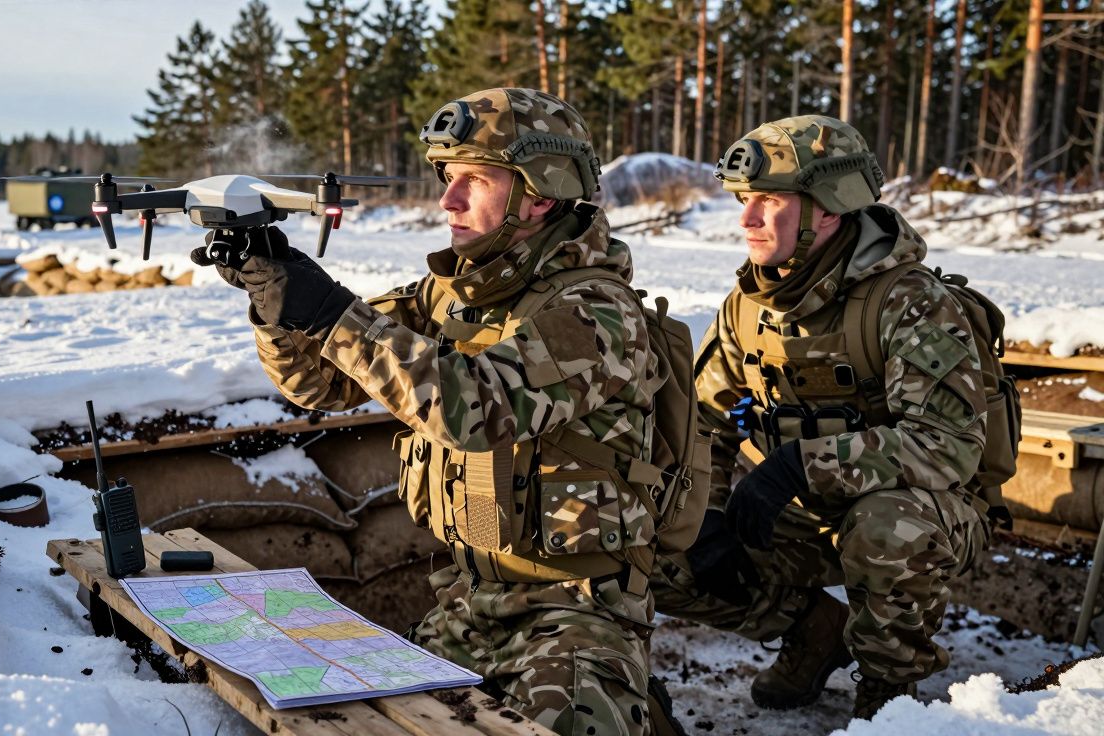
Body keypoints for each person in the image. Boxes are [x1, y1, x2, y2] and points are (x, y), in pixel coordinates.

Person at [202, 88, 686, 735]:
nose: (447, 200)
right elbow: (318, 383)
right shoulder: (451, 294)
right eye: (447, 176)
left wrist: (328, 311)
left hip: (577, 610)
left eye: (474, 179)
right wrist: (276, 299)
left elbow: (476, 409)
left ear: (538, 195)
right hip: (468, 600)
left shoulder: (596, 311)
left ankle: (630, 704)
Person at [651, 115, 992, 721]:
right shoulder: (747, 305)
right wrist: (706, 509)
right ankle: (815, 632)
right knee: (658, 543)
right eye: (744, 200)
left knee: (886, 528)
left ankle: (892, 701)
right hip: (798, 515)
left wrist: (795, 467)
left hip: (924, 514)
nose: (747, 219)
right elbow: (705, 419)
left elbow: (947, 445)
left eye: (769, 201)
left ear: (829, 210)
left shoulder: (910, 302)